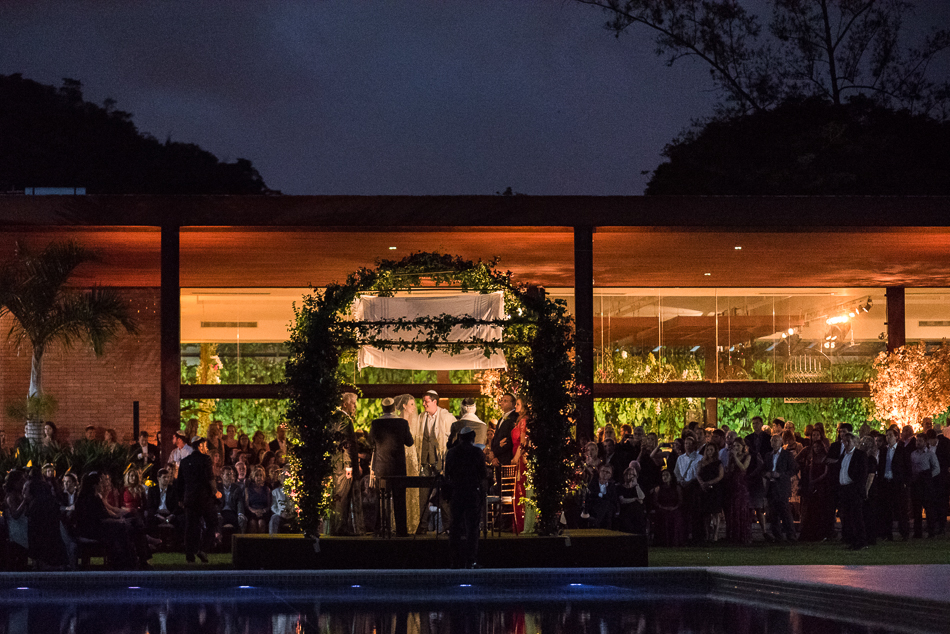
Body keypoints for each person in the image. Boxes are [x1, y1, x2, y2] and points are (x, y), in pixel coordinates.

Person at [444, 426, 488, 569]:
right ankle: (471, 560)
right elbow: (483, 474)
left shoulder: (451, 453)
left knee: (455, 527)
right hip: (472, 493)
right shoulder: (477, 453)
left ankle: (454, 560)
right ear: (473, 438)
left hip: (456, 493)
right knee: (472, 528)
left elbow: (447, 473)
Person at [370, 397, 414, 536]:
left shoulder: (376, 424)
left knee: (380, 499)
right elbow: (409, 442)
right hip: (398, 468)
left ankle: (379, 529)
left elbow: (369, 441)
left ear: (383, 408)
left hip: (381, 468)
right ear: (394, 408)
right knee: (399, 499)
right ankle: (401, 530)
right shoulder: (402, 423)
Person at [414, 390, 455, 531]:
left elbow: (453, 436)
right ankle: (422, 526)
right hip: (424, 461)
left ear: (435, 402)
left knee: (443, 495)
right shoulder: (421, 418)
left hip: (440, 462)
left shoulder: (447, 417)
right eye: (424, 401)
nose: (424, 404)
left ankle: (448, 526)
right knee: (423, 495)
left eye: (426, 401)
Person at [176, 436, 219, 563]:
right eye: (205, 445)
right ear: (200, 446)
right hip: (204, 498)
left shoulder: (184, 461)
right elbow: (210, 479)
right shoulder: (206, 459)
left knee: (190, 527)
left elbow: (180, 483)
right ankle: (203, 549)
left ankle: (189, 554)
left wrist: (180, 498)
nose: (206, 448)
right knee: (212, 522)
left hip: (189, 498)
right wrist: (215, 492)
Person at [328, 392, 363, 536]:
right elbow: (347, 444)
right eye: (353, 403)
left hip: (338, 463)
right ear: (345, 404)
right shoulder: (344, 419)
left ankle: (338, 526)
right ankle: (340, 527)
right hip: (344, 463)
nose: (355, 406)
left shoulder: (335, 417)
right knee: (343, 495)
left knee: (338, 495)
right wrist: (352, 466)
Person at [797, 427, 835, 541]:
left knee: (821, 509)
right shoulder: (807, 452)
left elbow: (826, 472)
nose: (815, 438)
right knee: (810, 509)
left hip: (822, 486)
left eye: (817, 435)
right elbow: (796, 460)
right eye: (813, 435)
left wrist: (815, 480)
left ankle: (823, 533)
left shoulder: (825, 454)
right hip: (811, 485)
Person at [393, 394, 422, 532]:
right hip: (401, 453)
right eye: (411, 404)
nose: (414, 407)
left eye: (413, 404)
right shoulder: (397, 421)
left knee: (412, 488)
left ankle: (413, 522)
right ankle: (399, 523)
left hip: (412, 455)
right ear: (404, 406)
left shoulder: (417, 421)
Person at [837, 431, 869, 550]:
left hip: (853, 489)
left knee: (857, 516)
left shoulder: (859, 455)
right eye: (844, 441)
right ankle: (850, 539)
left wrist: (858, 489)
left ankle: (861, 540)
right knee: (847, 516)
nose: (845, 444)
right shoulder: (844, 455)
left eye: (848, 441)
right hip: (844, 489)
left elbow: (862, 474)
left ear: (854, 442)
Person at [877, 427, 911, 541]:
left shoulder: (902, 450)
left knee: (901, 509)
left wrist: (906, 482)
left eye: (890, 435)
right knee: (886, 509)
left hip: (898, 483)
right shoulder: (884, 450)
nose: (888, 437)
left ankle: (904, 532)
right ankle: (887, 533)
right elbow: (881, 467)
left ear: (896, 437)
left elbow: (908, 468)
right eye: (887, 435)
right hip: (886, 482)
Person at [764, 433, 799, 542]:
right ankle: (777, 535)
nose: (774, 443)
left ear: (781, 442)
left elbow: (793, 469)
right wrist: (767, 474)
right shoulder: (768, 456)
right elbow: (764, 468)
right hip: (771, 486)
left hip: (782, 486)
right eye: (772, 441)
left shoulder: (787, 455)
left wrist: (781, 475)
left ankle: (791, 535)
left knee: (785, 511)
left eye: (776, 441)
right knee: (773, 513)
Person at [910, 431, 940, 538]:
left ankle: (931, 530)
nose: (918, 442)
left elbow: (937, 468)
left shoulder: (930, 454)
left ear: (925, 442)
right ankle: (918, 532)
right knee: (916, 508)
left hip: (926, 484)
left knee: (929, 508)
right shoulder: (912, 454)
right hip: (916, 484)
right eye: (917, 440)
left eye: (920, 441)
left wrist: (928, 477)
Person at [724, 436, 752, 544]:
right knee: (733, 510)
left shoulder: (747, 456)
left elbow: (743, 468)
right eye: (734, 446)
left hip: (741, 486)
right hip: (732, 485)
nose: (736, 448)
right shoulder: (731, 457)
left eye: (738, 446)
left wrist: (735, 457)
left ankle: (743, 535)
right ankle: (733, 535)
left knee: (741, 510)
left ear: (742, 447)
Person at [696, 443, 724, 542]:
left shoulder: (718, 463)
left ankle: (715, 534)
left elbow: (720, 476)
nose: (709, 452)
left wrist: (709, 482)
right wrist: (702, 483)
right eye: (708, 450)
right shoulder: (701, 462)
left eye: (712, 450)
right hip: (704, 490)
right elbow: (698, 474)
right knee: (706, 513)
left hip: (715, 489)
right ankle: (707, 534)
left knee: (716, 512)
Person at [511, 397, 531, 535]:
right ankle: (518, 524)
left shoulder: (524, 421)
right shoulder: (519, 421)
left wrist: (516, 457)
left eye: (518, 404)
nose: (515, 406)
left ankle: (523, 524)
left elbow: (523, 442)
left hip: (521, 460)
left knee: (521, 490)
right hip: (518, 458)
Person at [653, 469, 685, 546]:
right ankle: (664, 541)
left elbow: (680, 500)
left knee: (676, 516)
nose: (664, 477)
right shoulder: (658, 488)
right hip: (662, 509)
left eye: (667, 475)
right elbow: (655, 501)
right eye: (663, 475)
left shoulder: (677, 488)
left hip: (674, 508)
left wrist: (674, 507)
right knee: (663, 517)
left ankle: (675, 541)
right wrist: (663, 507)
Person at [581, 464, 618, 529]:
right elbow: (590, 495)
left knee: (606, 504)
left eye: (607, 472)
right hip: (594, 505)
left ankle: (597, 524)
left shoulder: (612, 486)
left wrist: (599, 495)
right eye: (603, 471)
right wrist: (601, 495)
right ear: (599, 472)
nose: (604, 474)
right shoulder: (593, 483)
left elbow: (612, 499)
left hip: (607, 507)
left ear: (610, 475)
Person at [145, 468, 180, 535]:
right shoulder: (152, 490)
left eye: (168, 477)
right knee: (149, 520)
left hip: (169, 514)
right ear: (158, 478)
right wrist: (158, 516)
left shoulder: (173, 490)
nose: (167, 479)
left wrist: (171, 516)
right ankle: (154, 541)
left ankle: (177, 543)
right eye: (164, 477)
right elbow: (150, 506)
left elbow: (176, 506)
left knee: (180, 519)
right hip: (157, 515)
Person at [490, 393, 519, 465]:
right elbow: (496, 437)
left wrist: (497, 454)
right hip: (497, 457)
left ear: (513, 404)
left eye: (505, 401)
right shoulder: (500, 419)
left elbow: (509, 440)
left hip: (506, 458)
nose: (501, 403)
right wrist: (493, 452)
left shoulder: (514, 418)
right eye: (501, 400)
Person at [617, 465, 647, 534]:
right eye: (627, 474)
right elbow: (622, 500)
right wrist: (635, 499)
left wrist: (636, 485)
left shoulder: (637, 487)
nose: (628, 476)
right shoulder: (620, 487)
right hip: (626, 511)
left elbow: (642, 497)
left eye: (631, 475)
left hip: (638, 512)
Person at [218, 465, 247, 534]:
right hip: (222, 511)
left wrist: (240, 514)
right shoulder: (218, 488)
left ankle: (239, 541)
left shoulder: (236, 488)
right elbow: (216, 503)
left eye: (231, 474)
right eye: (227, 474)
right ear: (222, 476)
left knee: (242, 520)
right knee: (217, 519)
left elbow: (239, 502)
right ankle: (218, 541)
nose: (230, 477)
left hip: (232, 511)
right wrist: (218, 513)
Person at [244, 465, 271, 534]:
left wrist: (263, 511)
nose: (259, 477)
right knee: (253, 524)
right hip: (251, 511)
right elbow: (247, 505)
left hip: (264, 512)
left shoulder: (267, 489)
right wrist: (254, 511)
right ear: (253, 477)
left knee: (261, 523)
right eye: (256, 475)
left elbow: (269, 505)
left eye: (261, 475)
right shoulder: (248, 489)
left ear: (263, 477)